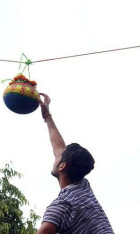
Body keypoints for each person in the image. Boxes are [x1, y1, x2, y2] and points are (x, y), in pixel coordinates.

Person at [37, 93, 114, 234]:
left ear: (62, 166)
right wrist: (47, 116)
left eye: (58, 157)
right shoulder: (83, 186)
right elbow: (59, 148)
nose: (56, 154)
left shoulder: (63, 206)